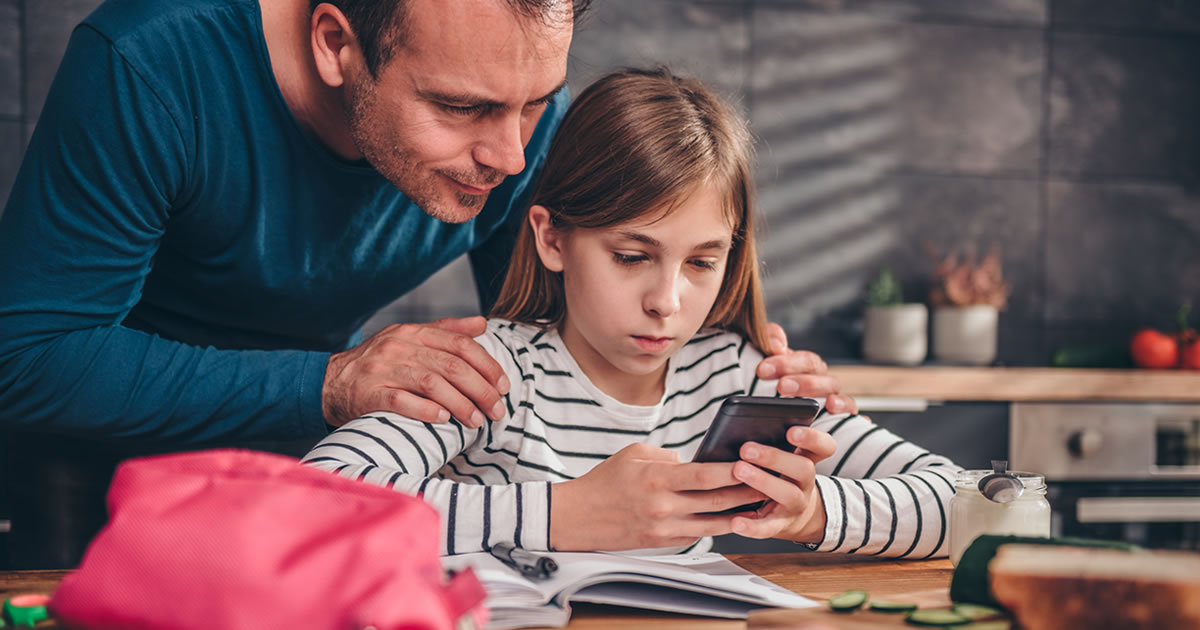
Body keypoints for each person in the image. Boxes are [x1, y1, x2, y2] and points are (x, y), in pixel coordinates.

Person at [0, 0, 851, 568]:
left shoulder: (506, 110)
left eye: (536, 106)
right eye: (462, 109)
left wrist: (725, 364)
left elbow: (554, 337)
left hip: (348, 496)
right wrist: (331, 382)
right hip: (97, 487)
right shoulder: (151, 65)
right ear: (337, 46)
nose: (515, 159)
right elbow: (26, 357)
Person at [303, 68, 961, 558]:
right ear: (552, 238)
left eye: (702, 262)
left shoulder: (738, 374)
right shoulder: (491, 372)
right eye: (630, 256)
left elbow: (971, 504)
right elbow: (313, 502)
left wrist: (812, 513)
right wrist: (564, 514)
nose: (667, 302)